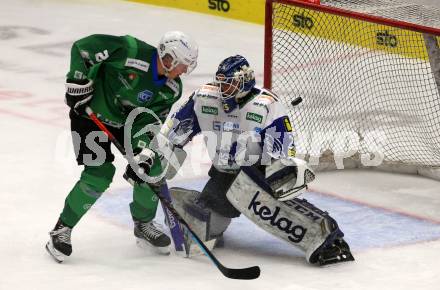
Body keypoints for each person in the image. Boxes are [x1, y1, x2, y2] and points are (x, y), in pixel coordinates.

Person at [160, 55, 354, 265]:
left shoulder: (266, 105)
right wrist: (156, 157)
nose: (224, 90)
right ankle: (217, 221)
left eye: (230, 84)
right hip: (223, 175)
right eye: (221, 84)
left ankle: (327, 238)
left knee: (261, 203)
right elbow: (174, 133)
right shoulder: (204, 99)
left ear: (245, 81)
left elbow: (283, 154)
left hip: (256, 176)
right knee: (200, 220)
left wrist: (260, 159)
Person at [45, 31, 198, 263]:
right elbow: (83, 49)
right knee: (99, 174)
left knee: (152, 170)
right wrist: (78, 79)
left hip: (127, 123)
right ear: (169, 58)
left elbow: (148, 120)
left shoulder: (171, 89)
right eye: (183, 65)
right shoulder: (131, 51)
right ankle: (61, 230)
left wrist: (143, 152)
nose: (184, 71)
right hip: (90, 114)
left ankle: (143, 224)